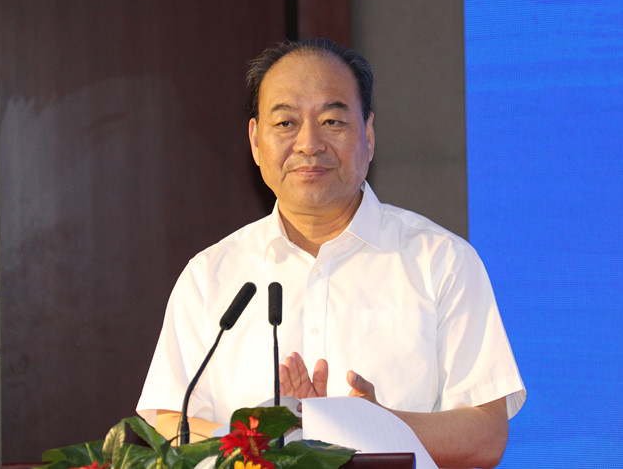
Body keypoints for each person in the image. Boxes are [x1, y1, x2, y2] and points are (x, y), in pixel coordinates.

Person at [136, 38, 525, 468]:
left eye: (332, 121)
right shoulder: (210, 275)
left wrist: (376, 425)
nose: (309, 143)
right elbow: (170, 422)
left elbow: (486, 435)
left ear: (368, 135)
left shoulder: (441, 261)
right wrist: (270, 441)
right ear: (256, 141)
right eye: (286, 123)